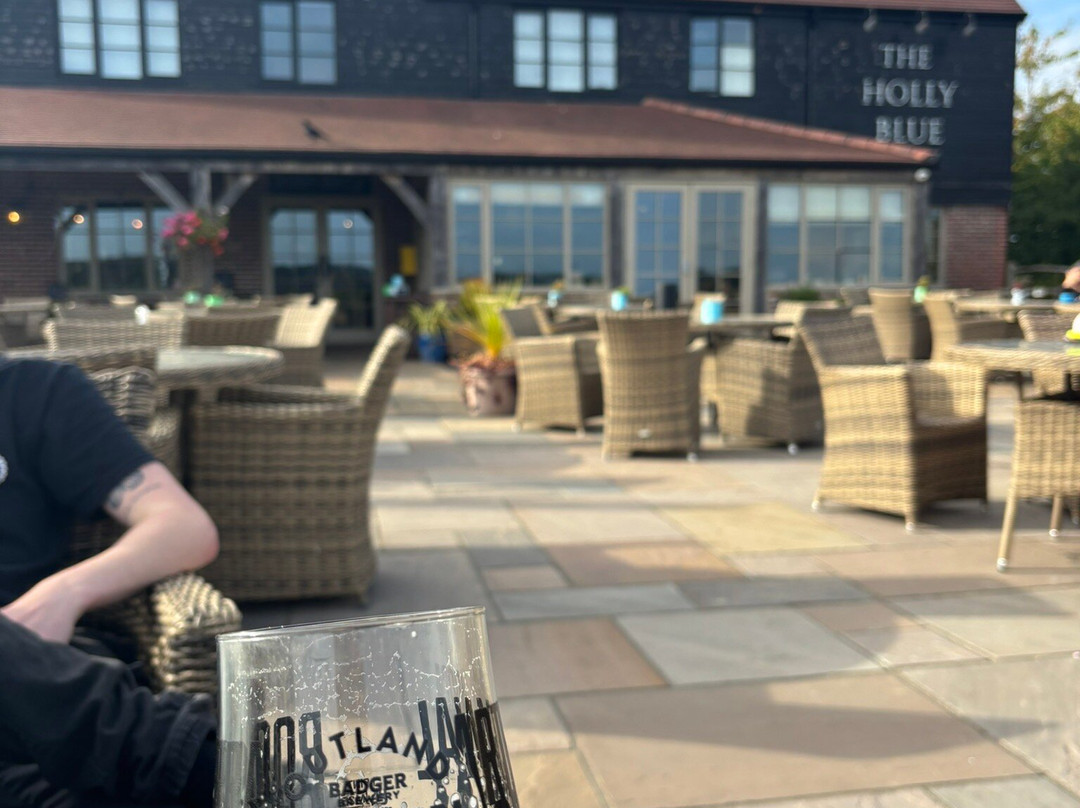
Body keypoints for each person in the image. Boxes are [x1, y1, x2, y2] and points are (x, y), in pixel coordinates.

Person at [0, 356, 220, 807]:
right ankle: (217, 767)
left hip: (35, 703)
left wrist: (64, 592)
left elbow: (184, 527)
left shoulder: (31, 392)